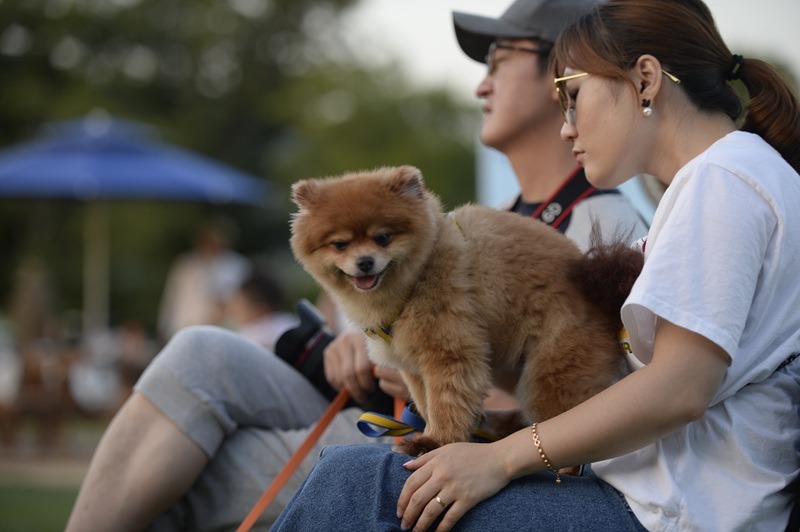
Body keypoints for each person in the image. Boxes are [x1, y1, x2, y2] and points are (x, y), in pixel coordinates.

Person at [65, 0, 649, 529]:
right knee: (200, 351)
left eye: (499, 60)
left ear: (562, 77)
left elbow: (604, 399)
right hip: (379, 401)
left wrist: (438, 373)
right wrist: (356, 343)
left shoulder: (603, 224)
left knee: (196, 471)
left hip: (456, 436)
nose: (481, 84)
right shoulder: (481, 219)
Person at [271, 0, 800, 530]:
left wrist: (503, 456)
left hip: (673, 514)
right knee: (380, 470)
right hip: (653, 498)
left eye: (572, 96)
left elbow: (679, 390)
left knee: (362, 481)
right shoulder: (721, 180)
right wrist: (510, 418)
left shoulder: (724, 180)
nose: (567, 126)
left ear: (644, 79)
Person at [157, 218, 250, 342]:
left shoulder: (238, 266)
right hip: (183, 329)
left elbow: (239, 302)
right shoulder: (186, 263)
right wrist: (164, 327)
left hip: (220, 332)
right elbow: (172, 298)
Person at [223, 270, 298, 352]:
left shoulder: (254, 334)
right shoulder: (290, 320)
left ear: (260, 310)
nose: (232, 312)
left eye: (238, 307)